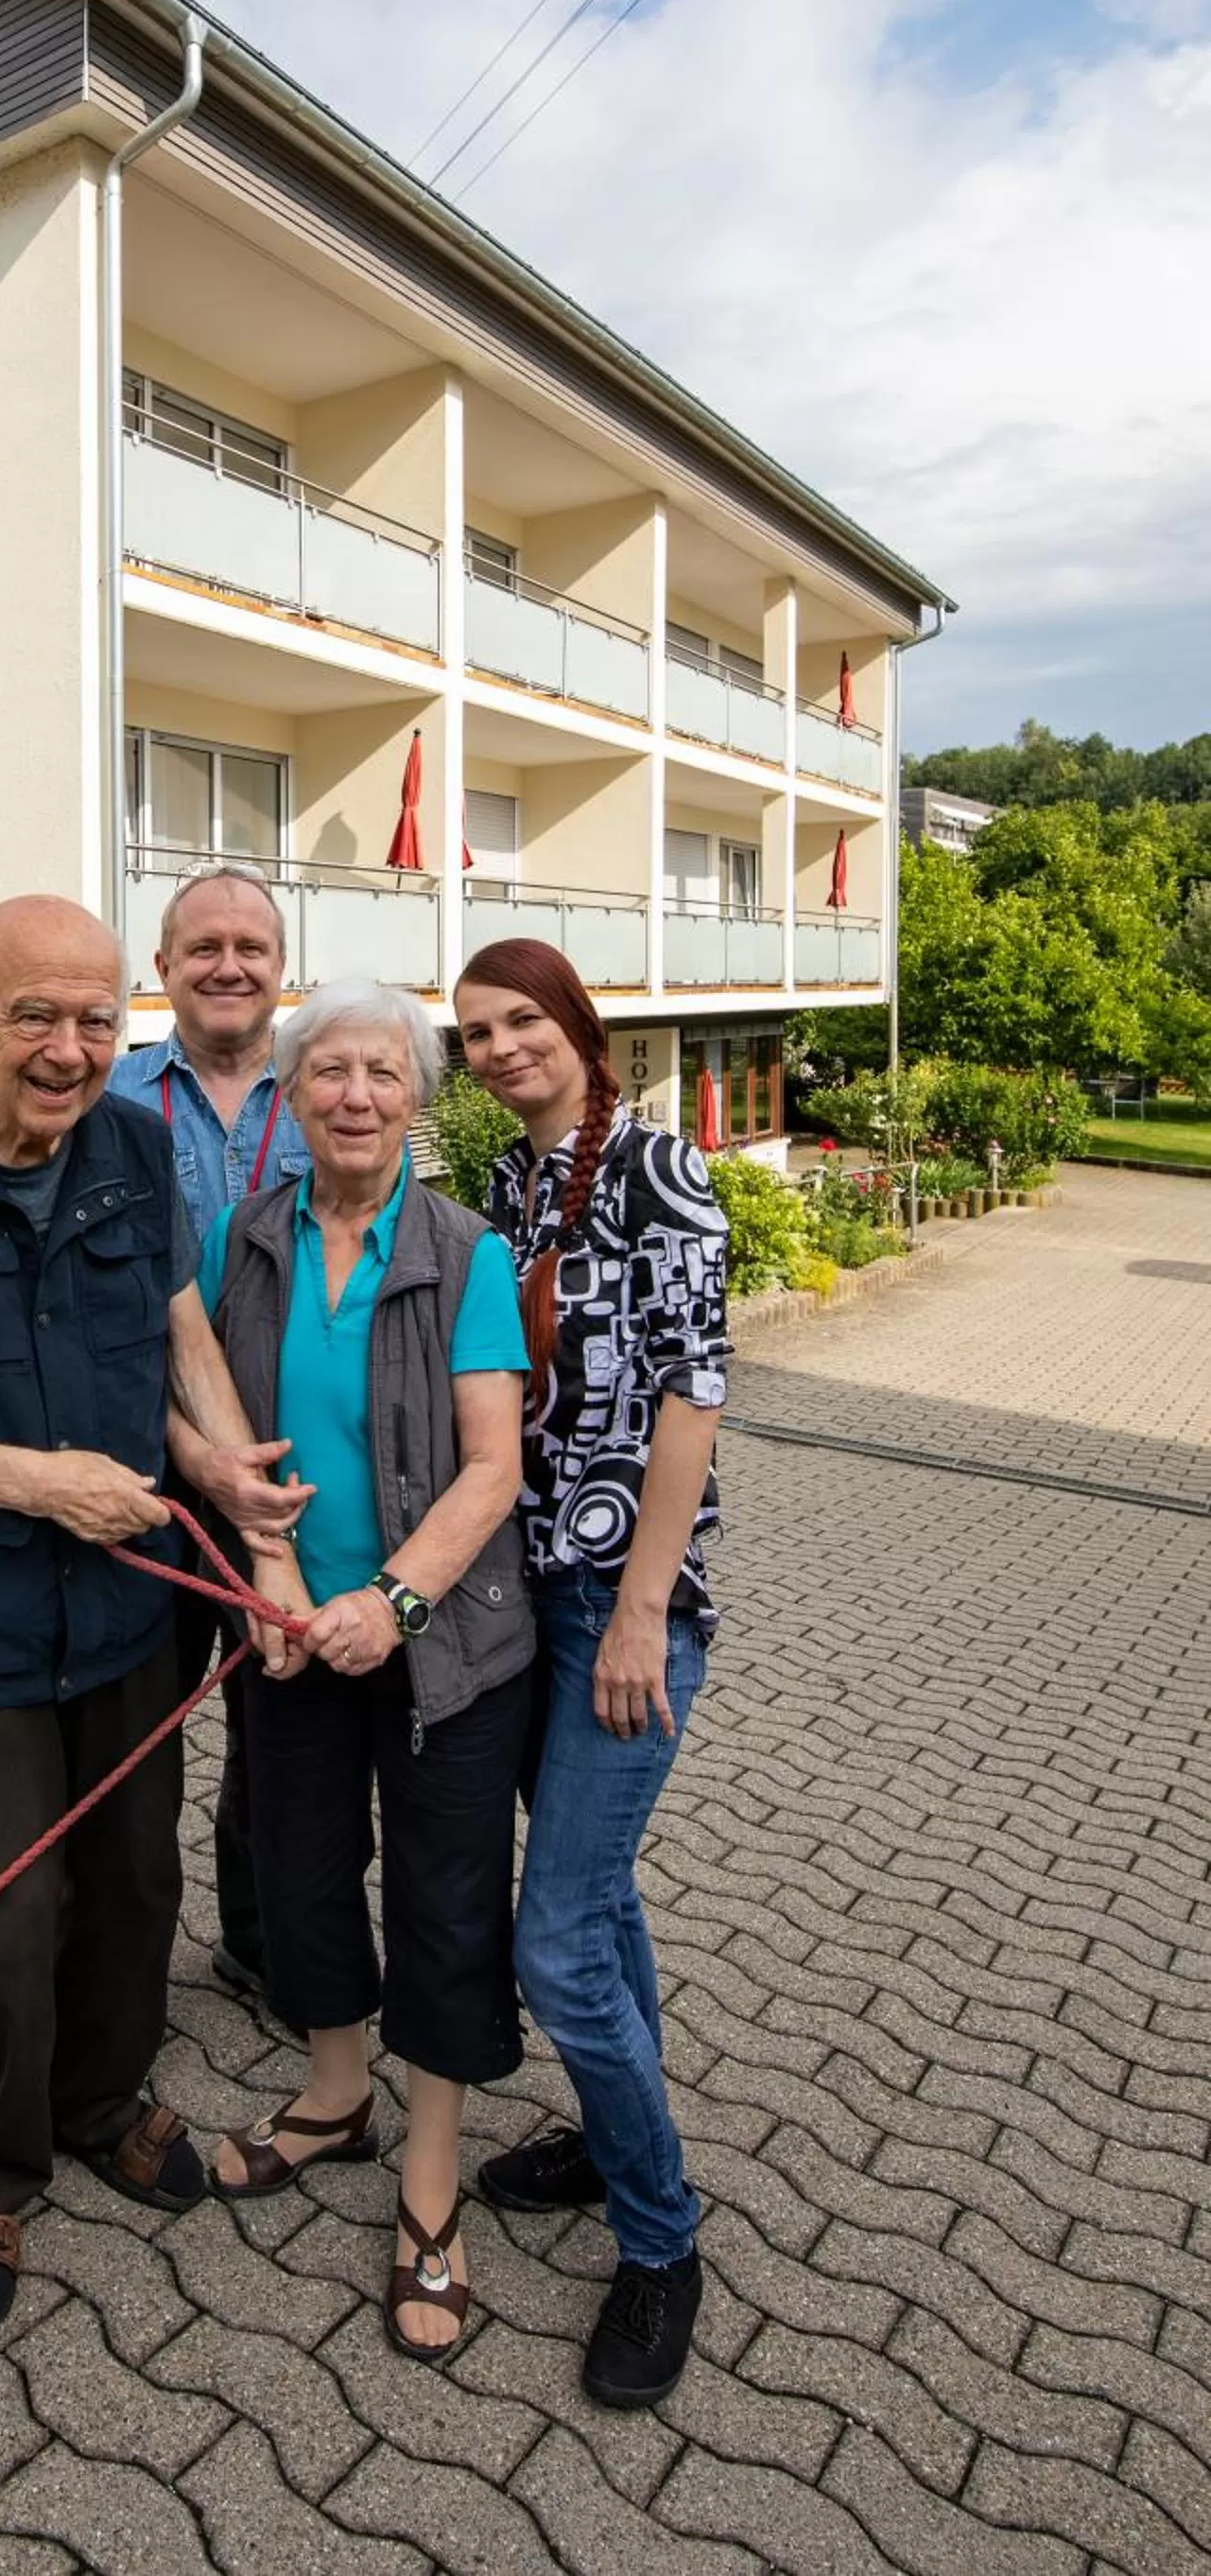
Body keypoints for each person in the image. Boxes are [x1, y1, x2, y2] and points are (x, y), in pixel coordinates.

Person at [0, 895, 305, 2336]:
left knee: (138, 1881)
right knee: (7, 1910)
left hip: (132, 1610)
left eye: (97, 1019)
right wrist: (44, 1485)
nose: (72, 1049)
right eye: (38, 1016)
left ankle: (102, 2099)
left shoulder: (137, 1149)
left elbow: (181, 1331)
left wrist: (228, 1480)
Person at [194, 979, 533, 2366]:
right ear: (288, 1094)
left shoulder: (467, 1255)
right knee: (301, 1869)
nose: (354, 1096)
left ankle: (432, 2183)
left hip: (442, 1642)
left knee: (448, 1901)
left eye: (382, 1074)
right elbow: (199, 1409)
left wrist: (391, 1602)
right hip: (284, 1630)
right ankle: (336, 2096)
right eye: (326, 1071)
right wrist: (261, 1571)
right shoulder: (244, 1235)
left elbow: (495, 1467)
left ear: (416, 1097)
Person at [453, 938, 730, 2411]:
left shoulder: (664, 1169)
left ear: (576, 1024)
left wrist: (638, 1613)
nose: (500, 1048)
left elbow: (693, 1398)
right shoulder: (507, 1190)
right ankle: (608, 2130)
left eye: (522, 1022)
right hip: (526, 1587)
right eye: (477, 1032)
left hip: (627, 1605)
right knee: (600, 1896)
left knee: (554, 1939)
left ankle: (662, 2237)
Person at [109, 862, 310, 2000]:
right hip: (150, 1467)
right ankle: (126, 1967)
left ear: (282, 969)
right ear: (165, 969)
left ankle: (261, 1946)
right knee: (140, 1731)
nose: (228, 966)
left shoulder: (333, 1088)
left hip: (289, 1472)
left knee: (279, 1731)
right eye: (203, 948)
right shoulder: (114, 1098)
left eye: (252, 947)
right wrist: (194, 1451)